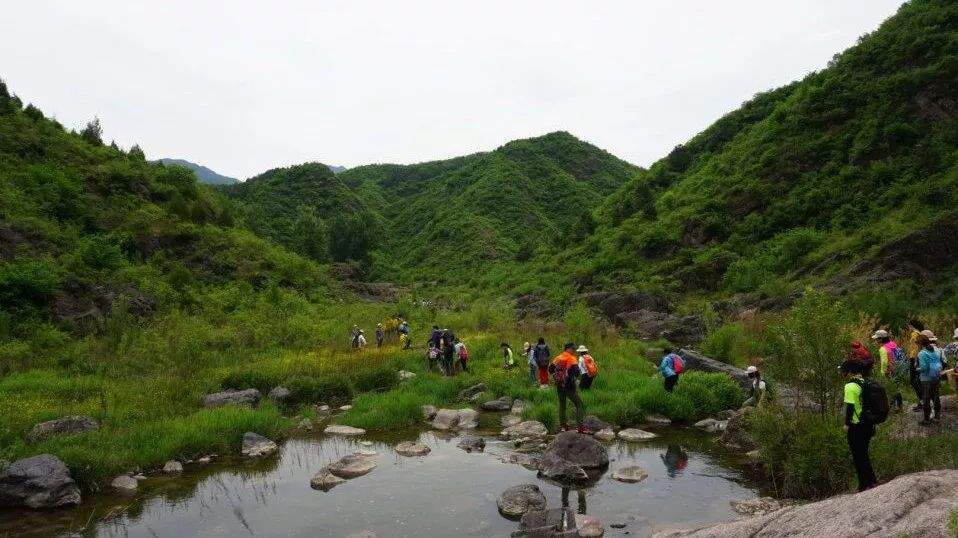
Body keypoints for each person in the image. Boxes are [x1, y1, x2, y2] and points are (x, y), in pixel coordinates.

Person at [841, 359, 878, 492]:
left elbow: (850, 407)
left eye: (844, 371)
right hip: (868, 424)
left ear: (850, 372)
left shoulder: (850, 386)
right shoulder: (865, 382)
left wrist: (846, 424)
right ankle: (871, 481)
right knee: (864, 454)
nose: (842, 374)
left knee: (858, 456)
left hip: (856, 425)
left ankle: (864, 484)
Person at [549, 343, 586, 432]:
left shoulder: (558, 358)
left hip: (559, 385)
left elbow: (550, 369)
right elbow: (577, 373)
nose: (574, 351)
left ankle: (563, 426)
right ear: (568, 349)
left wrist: (557, 377)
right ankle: (580, 427)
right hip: (569, 386)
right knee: (579, 404)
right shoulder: (571, 358)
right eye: (573, 349)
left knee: (562, 405)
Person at [872, 329, 904, 410]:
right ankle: (899, 406)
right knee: (896, 387)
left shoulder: (882, 349)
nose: (875, 341)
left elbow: (884, 362)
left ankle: (891, 406)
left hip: (889, 371)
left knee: (890, 388)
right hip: (898, 368)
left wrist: (883, 373)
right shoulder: (893, 344)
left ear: (880, 339)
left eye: (876, 339)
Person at [917, 330, 943, 425]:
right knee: (936, 397)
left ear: (920, 344)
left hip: (926, 379)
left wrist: (917, 369)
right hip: (935, 377)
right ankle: (937, 417)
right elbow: (938, 364)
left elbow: (924, 368)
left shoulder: (922, 353)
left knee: (926, 399)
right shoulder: (934, 351)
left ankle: (926, 420)